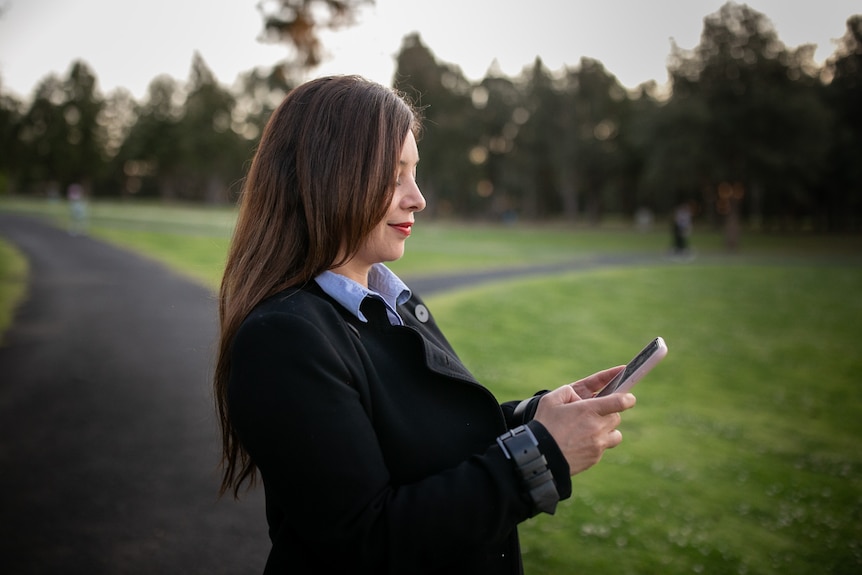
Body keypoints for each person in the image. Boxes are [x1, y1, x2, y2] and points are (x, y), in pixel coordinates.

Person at [214, 75, 637, 574]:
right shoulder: (284, 339)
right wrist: (540, 455)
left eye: (414, 173)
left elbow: (421, 442)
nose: (417, 198)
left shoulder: (391, 301)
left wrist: (537, 416)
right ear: (329, 177)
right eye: (395, 176)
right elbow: (365, 543)